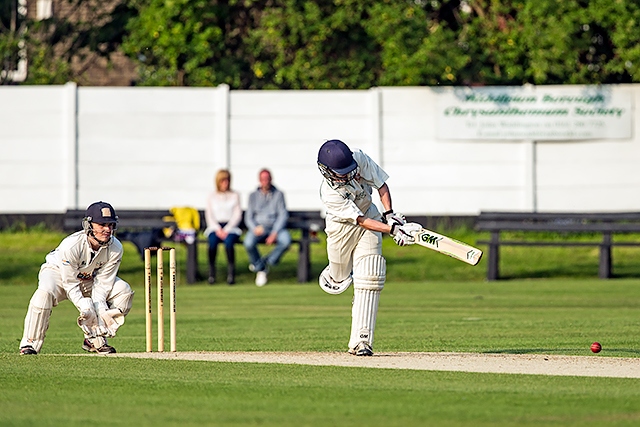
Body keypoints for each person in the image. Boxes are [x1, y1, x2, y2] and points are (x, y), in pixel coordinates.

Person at [316, 139, 421, 356]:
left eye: (348, 170)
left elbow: (381, 185)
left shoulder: (359, 158)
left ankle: (361, 342)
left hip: (370, 216)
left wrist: (390, 215)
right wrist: (391, 230)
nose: (347, 176)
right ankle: (340, 276)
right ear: (326, 171)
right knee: (339, 278)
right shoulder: (329, 193)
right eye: (340, 173)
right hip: (342, 229)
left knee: (371, 274)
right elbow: (359, 220)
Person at [19, 201, 134, 355]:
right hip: (57, 274)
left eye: (111, 225)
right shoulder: (71, 246)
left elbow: (103, 284)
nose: (107, 229)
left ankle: (95, 338)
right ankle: (30, 344)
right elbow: (70, 283)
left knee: (123, 291)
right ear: (89, 225)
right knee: (44, 294)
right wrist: (84, 306)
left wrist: (99, 308)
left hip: (88, 278)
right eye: (102, 224)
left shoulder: (116, 248)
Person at [243, 168, 291, 286]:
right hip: (259, 228)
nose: (265, 181)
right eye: (263, 179)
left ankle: (266, 262)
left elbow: (283, 215)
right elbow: (248, 216)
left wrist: (275, 232)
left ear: (271, 179)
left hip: (276, 228)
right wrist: (254, 228)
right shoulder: (253, 196)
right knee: (248, 242)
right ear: (259, 180)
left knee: (286, 241)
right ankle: (261, 268)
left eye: (267, 179)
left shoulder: (279, 194)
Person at [204, 169, 243, 285]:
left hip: (230, 227)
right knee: (212, 243)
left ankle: (231, 274)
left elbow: (237, 214)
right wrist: (217, 229)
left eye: (227, 181)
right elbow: (209, 215)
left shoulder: (235, 195)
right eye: (223, 181)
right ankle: (211, 274)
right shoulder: (211, 196)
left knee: (229, 243)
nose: (225, 183)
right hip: (215, 227)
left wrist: (227, 229)